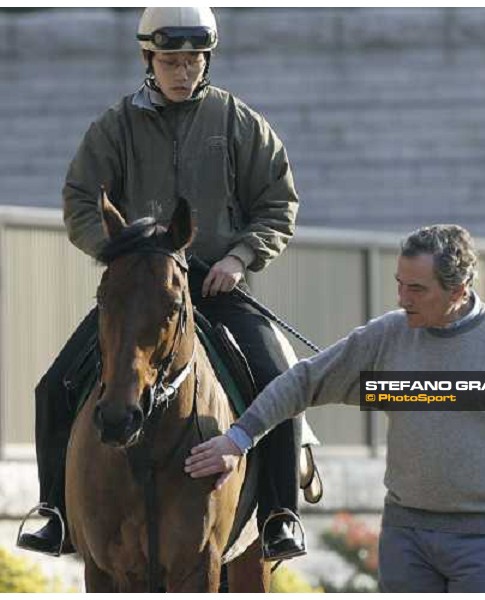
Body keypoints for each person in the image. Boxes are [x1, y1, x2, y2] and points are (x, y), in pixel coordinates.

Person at [18, 6, 305, 562]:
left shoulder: (242, 123)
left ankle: (278, 514)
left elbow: (278, 204)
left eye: (193, 60)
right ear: (148, 59)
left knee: (279, 380)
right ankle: (54, 511)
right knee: (54, 387)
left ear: (206, 59)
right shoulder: (114, 126)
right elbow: (81, 198)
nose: (183, 71)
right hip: (141, 296)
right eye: (170, 61)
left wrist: (242, 257)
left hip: (218, 291)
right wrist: (119, 255)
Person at [185, 224, 485, 593]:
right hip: (406, 539)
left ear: (459, 290)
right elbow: (303, 381)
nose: (402, 298)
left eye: (417, 289)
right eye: (399, 284)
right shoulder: (388, 335)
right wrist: (237, 439)